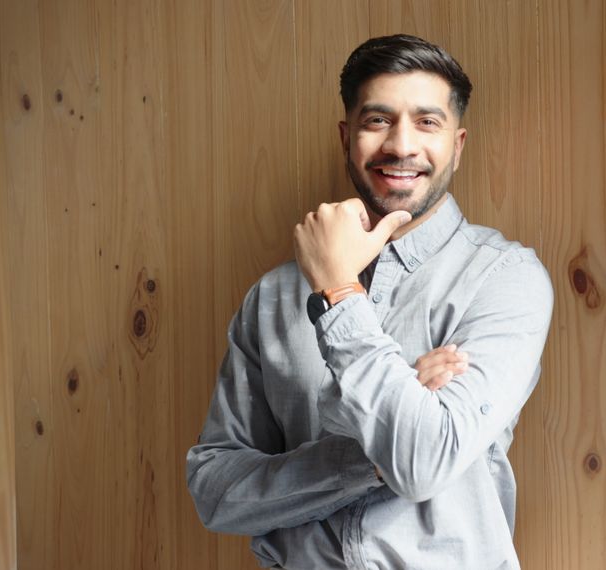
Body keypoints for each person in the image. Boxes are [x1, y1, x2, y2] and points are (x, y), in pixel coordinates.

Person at [186, 34, 554, 569]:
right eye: (378, 120)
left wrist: (337, 292)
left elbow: (422, 463)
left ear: (457, 144)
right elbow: (215, 492)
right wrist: (374, 454)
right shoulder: (272, 297)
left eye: (427, 122)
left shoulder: (505, 278)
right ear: (347, 137)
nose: (401, 146)